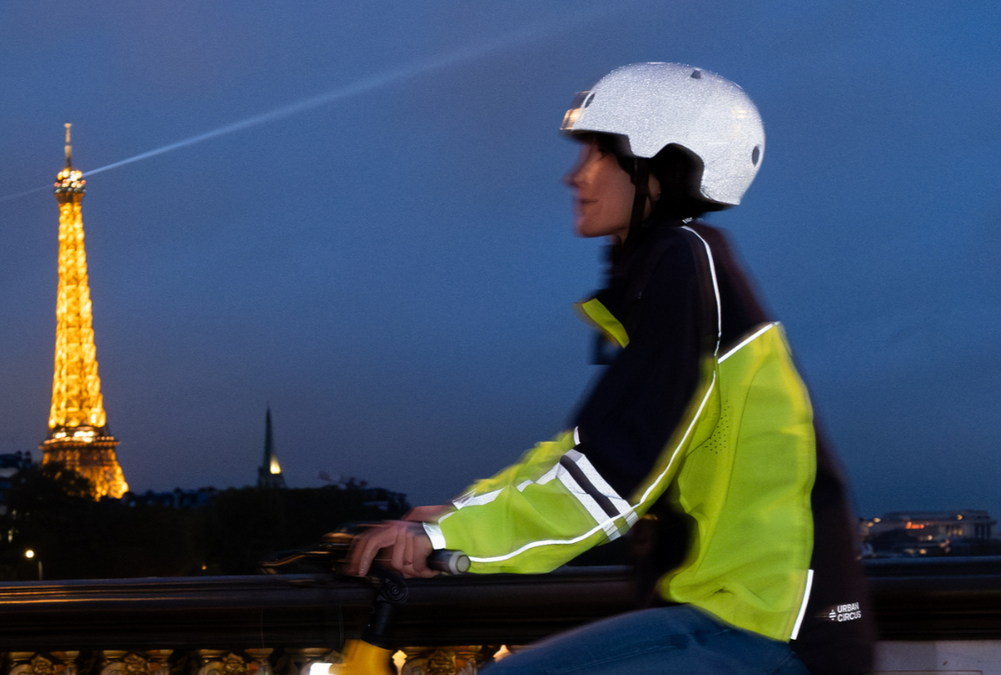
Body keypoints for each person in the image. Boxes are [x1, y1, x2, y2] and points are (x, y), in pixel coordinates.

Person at [346, 62, 874, 675]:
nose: (574, 176)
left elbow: (613, 474)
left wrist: (448, 542)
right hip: (733, 619)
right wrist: (457, 513)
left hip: (766, 634)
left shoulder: (686, 264)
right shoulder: (673, 272)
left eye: (599, 155)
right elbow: (582, 448)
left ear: (659, 167)